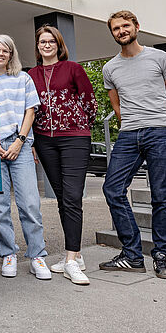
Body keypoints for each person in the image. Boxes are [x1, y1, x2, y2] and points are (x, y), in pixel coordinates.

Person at [100, 10, 166, 280]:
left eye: (125, 26)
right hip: (129, 134)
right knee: (112, 189)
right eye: (116, 29)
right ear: (112, 34)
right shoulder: (109, 68)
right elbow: (117, 106)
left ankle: (160, 255)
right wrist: (134, 123)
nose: (121, 31)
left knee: (161, 195)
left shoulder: (161, 57)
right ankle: (133, 254)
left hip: (160, 132)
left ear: (136, 26)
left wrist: (155, 120)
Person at [0, 34, 50, 280]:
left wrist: (19, 141)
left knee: (30, 204)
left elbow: (30, 112)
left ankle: (37, 255)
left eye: (5, 50)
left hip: (20, 145)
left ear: (11, 54)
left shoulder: (22, 79)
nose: (0, 54)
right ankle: (8, 254)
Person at [28, 25, 96, 286]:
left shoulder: (73, 69)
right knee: (61, 198)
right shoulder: (30, 74)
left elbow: (89, 101)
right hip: (45, 140)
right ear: (37, 46)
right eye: (42, 41)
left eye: (51, 41)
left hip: (74, 138)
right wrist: (33, 140)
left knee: (72, 197)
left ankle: (70, 260)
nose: (47, 45)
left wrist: (80, 125)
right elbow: (30, 108)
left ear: (59, 45)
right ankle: (75, 255)